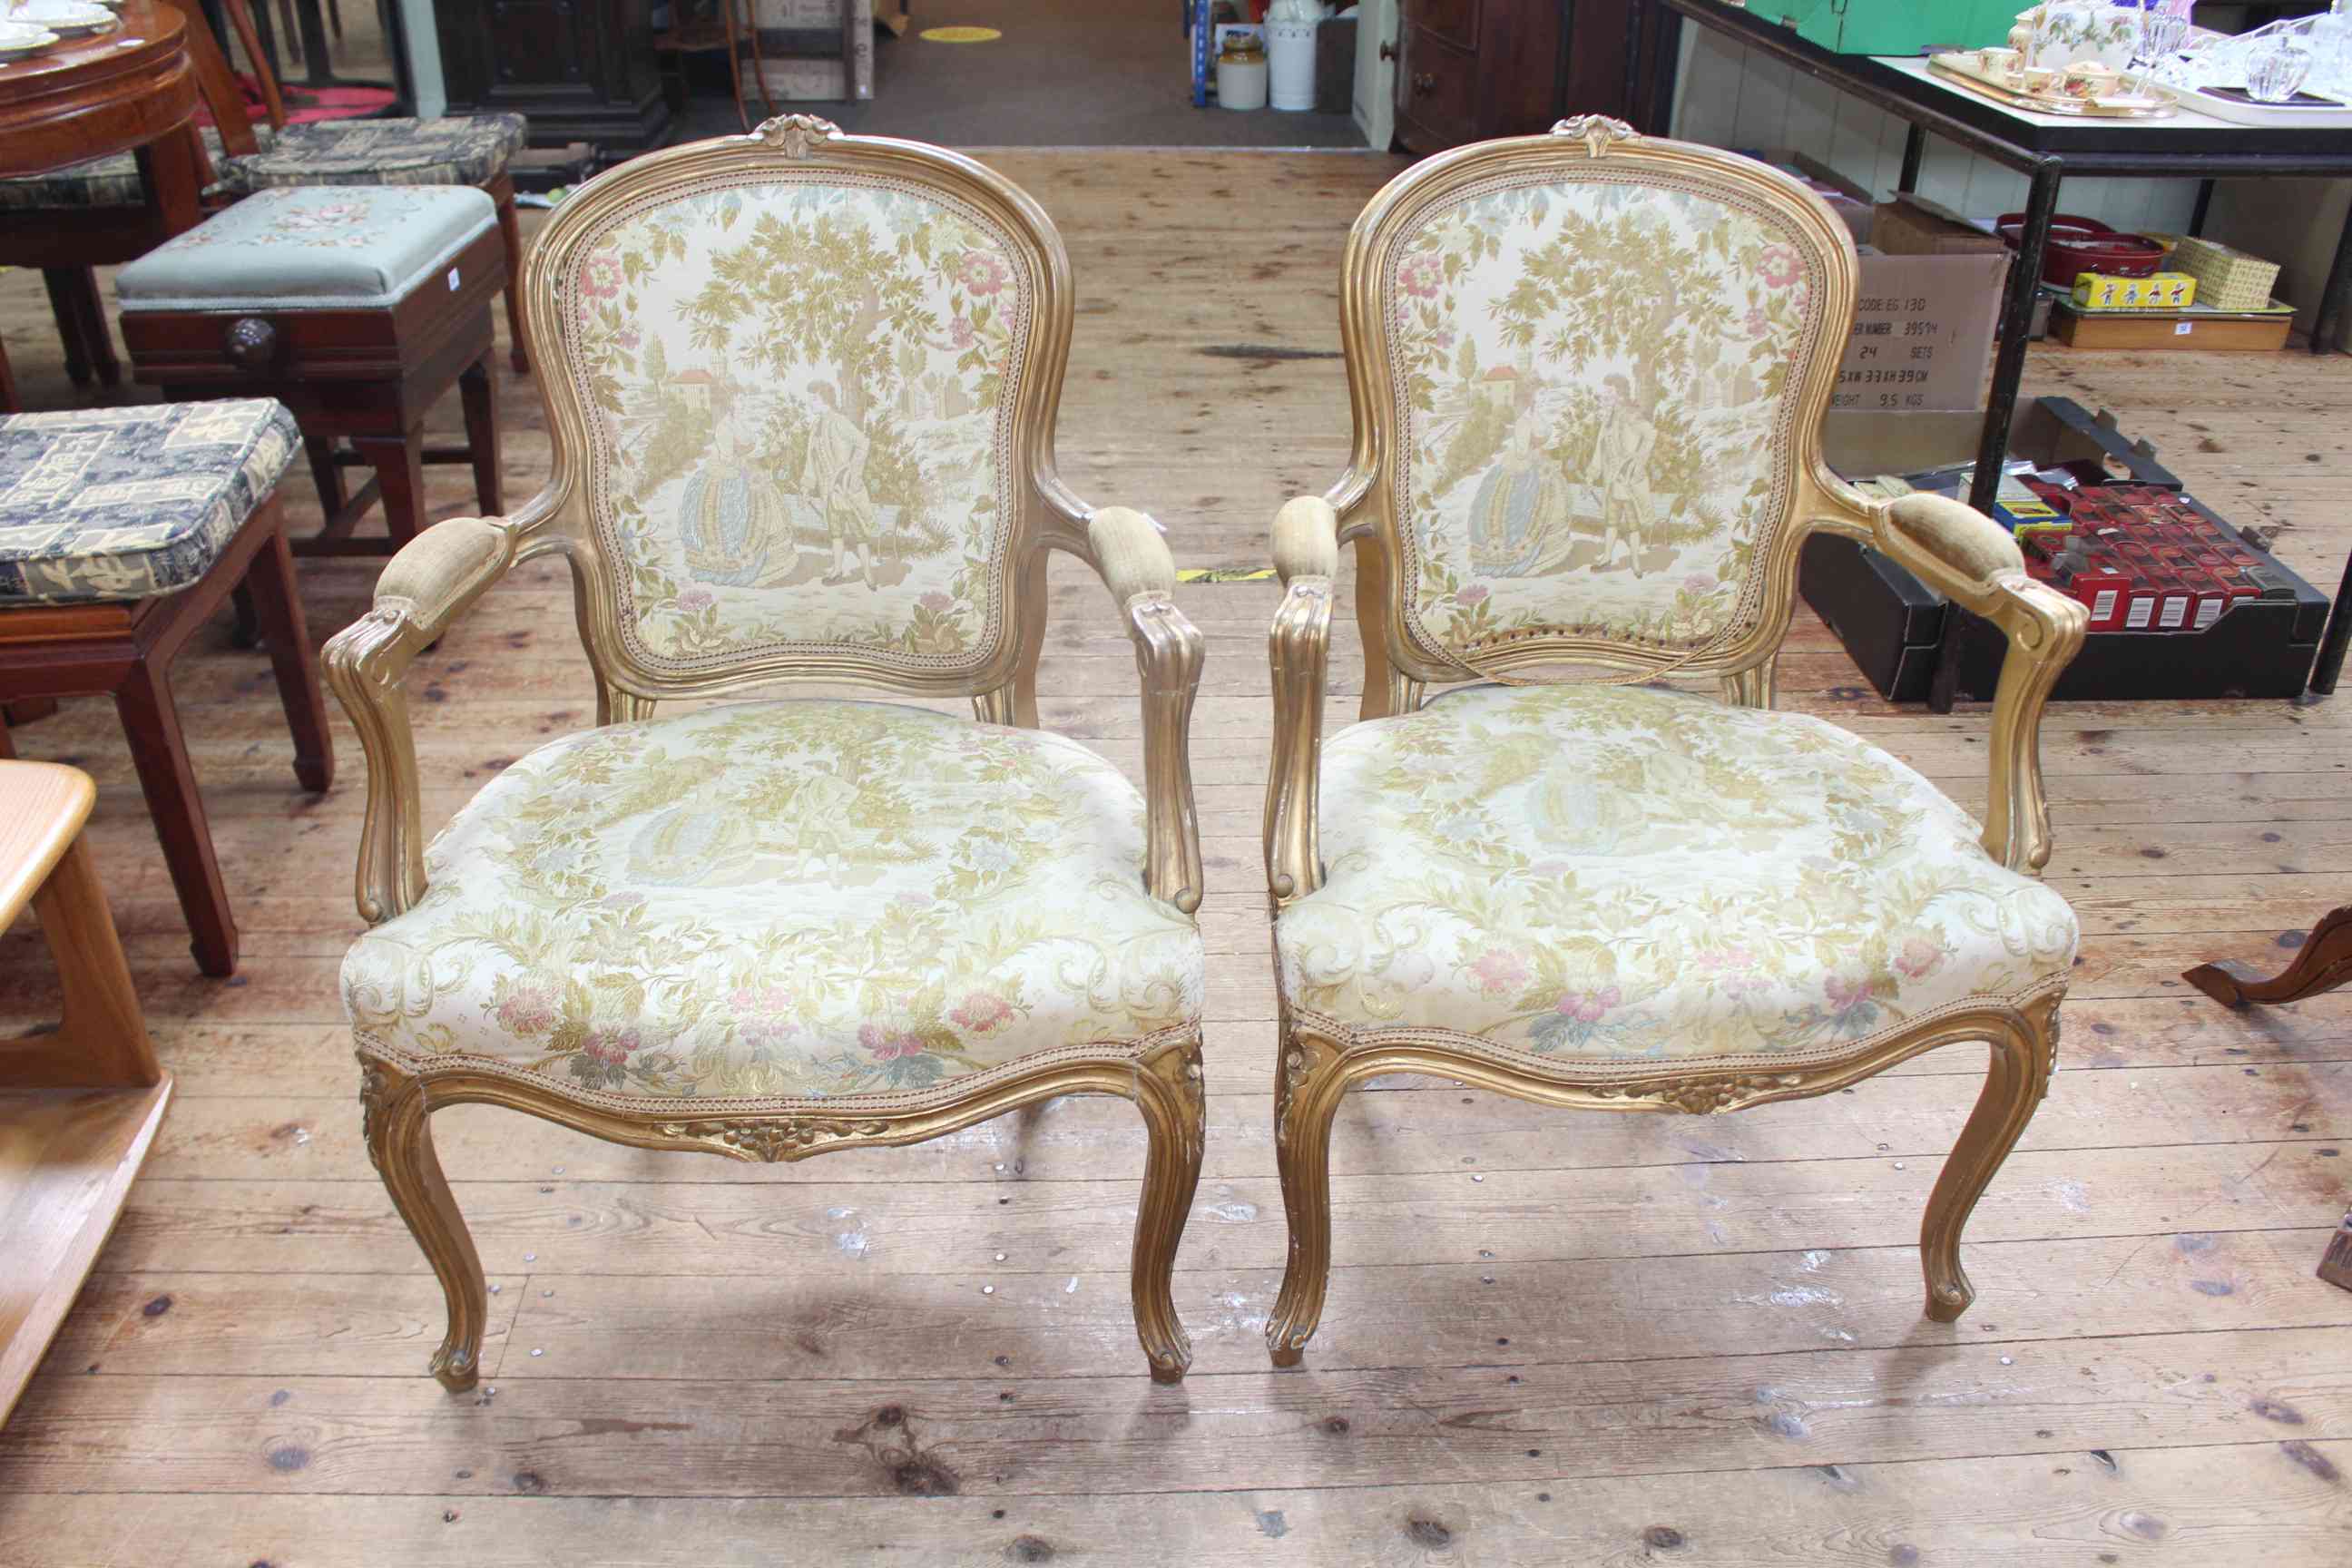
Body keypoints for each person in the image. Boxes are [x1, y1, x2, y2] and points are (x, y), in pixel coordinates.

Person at [804, 381, 883, 588]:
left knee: (860, 535)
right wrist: (807, 485)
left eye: (813, 399)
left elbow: (863, 443)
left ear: (824, 400)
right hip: (828, 492)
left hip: (846, 490)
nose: (810, 403)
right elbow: (810, 460)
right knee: (836, 533)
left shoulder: (839, 422)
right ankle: (837, 570)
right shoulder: (816, 426)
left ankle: (868, 574)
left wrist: (853, 472)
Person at [1592, 376, 1657, 577]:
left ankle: (1636, 563)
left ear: (1620, 394)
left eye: (1609, 393)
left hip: (1629, 481)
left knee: (1633, 525)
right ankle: (1607, 557)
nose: (1605, 397)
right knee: (1611, 522)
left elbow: (1651, 434)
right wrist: (1593, 472)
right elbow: (1599, 447)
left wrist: (1638, 460)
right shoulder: (1609, 418)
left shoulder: (1632, 415)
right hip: (1612, 480)